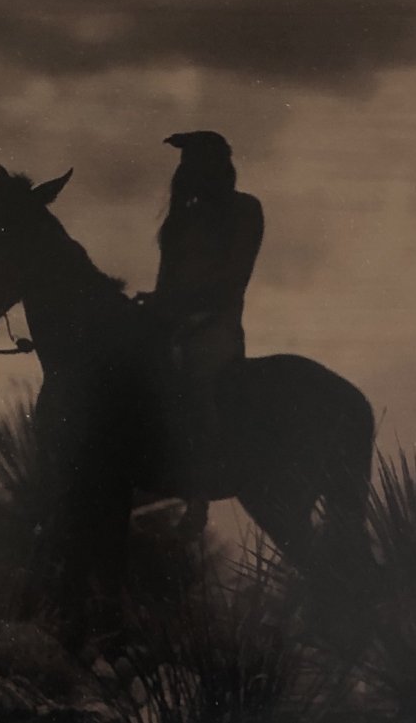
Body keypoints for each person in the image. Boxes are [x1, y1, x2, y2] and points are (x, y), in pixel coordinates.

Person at [138, 131, 264, 532]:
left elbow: (234, 277)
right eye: (186, 164)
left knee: (198, 373)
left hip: (215, 321)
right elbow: (166, 279)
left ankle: (198, 492)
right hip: (171, 318)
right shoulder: (180, 221)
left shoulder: (245, 211)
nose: (188, 172)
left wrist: (178, 303)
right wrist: (155, 302)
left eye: (197, 163)